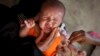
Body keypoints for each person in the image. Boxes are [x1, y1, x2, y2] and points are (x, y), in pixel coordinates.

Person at [19, 0, 86, 56]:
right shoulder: (34, 27)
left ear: (60, 23)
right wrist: (27, 27)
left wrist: (65, 43)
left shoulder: (59, 33)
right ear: (39, 16)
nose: (50, 22)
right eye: (45, 18)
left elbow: (66, 42)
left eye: (55, 20)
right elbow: (21, 35)